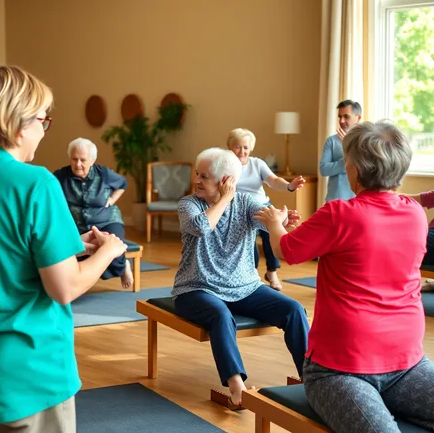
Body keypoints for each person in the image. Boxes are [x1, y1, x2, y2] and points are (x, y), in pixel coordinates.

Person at [0, 64, 127, 432]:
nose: (43, 130)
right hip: (27, 373)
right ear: (18, 124)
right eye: (42, 120)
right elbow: (64, 287)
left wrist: (71, 247)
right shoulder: (35, 183)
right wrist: (108, 252)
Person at [256, 120, 434, 432]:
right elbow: (396, 203)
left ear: (355, 169)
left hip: (407, 364)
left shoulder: (339, 214)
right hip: (338, 370)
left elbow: (286, 249)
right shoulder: (414, 214)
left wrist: (274, 222)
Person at [172, 148, 309, 408]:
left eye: (204, 176)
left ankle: (311, 379)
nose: (197, 180)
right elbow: (202, 227)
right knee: (221, 316)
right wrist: (224, 199)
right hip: (196, 289)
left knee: (294, 310)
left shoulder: (246, 204)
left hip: (245, 287)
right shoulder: (188, 204)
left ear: (226, 180)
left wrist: (278, 220)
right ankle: (237, 389)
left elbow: (268, 218)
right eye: (197, 174)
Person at [227, 128, 305, 291]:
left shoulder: (257, 164)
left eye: (245, 147)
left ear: (251, 148)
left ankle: (272, 272)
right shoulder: (226, 165)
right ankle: (252, 273)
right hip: (240, 210)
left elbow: (273, 180)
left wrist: (289, 186)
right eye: (237, 147)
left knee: (271, 231)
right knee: (248, 239)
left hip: (262, 205)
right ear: (229, 147)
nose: (242, 151)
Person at [54, 138, 133, 289]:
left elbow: (123, 183)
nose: (78, 164)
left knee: (112, 246)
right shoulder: (61, 176)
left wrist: (112, 199)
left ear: (92, 160)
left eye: (82, 160)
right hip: (76, 224)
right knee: (74, 251)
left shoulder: (103, 174)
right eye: (74, 159)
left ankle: (123, 267)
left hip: (107, 220)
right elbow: (48, 193)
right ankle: (73, 283)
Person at [319, 99, 362, 201]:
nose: (341, 121)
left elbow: (366, 167)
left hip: (359, 200)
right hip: (334, 200)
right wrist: (348, 160)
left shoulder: (366, 140)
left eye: (346, 116)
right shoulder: (331, 141)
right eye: (340, 116)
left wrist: (349, 148)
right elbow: (324, 169)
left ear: (358, 117)